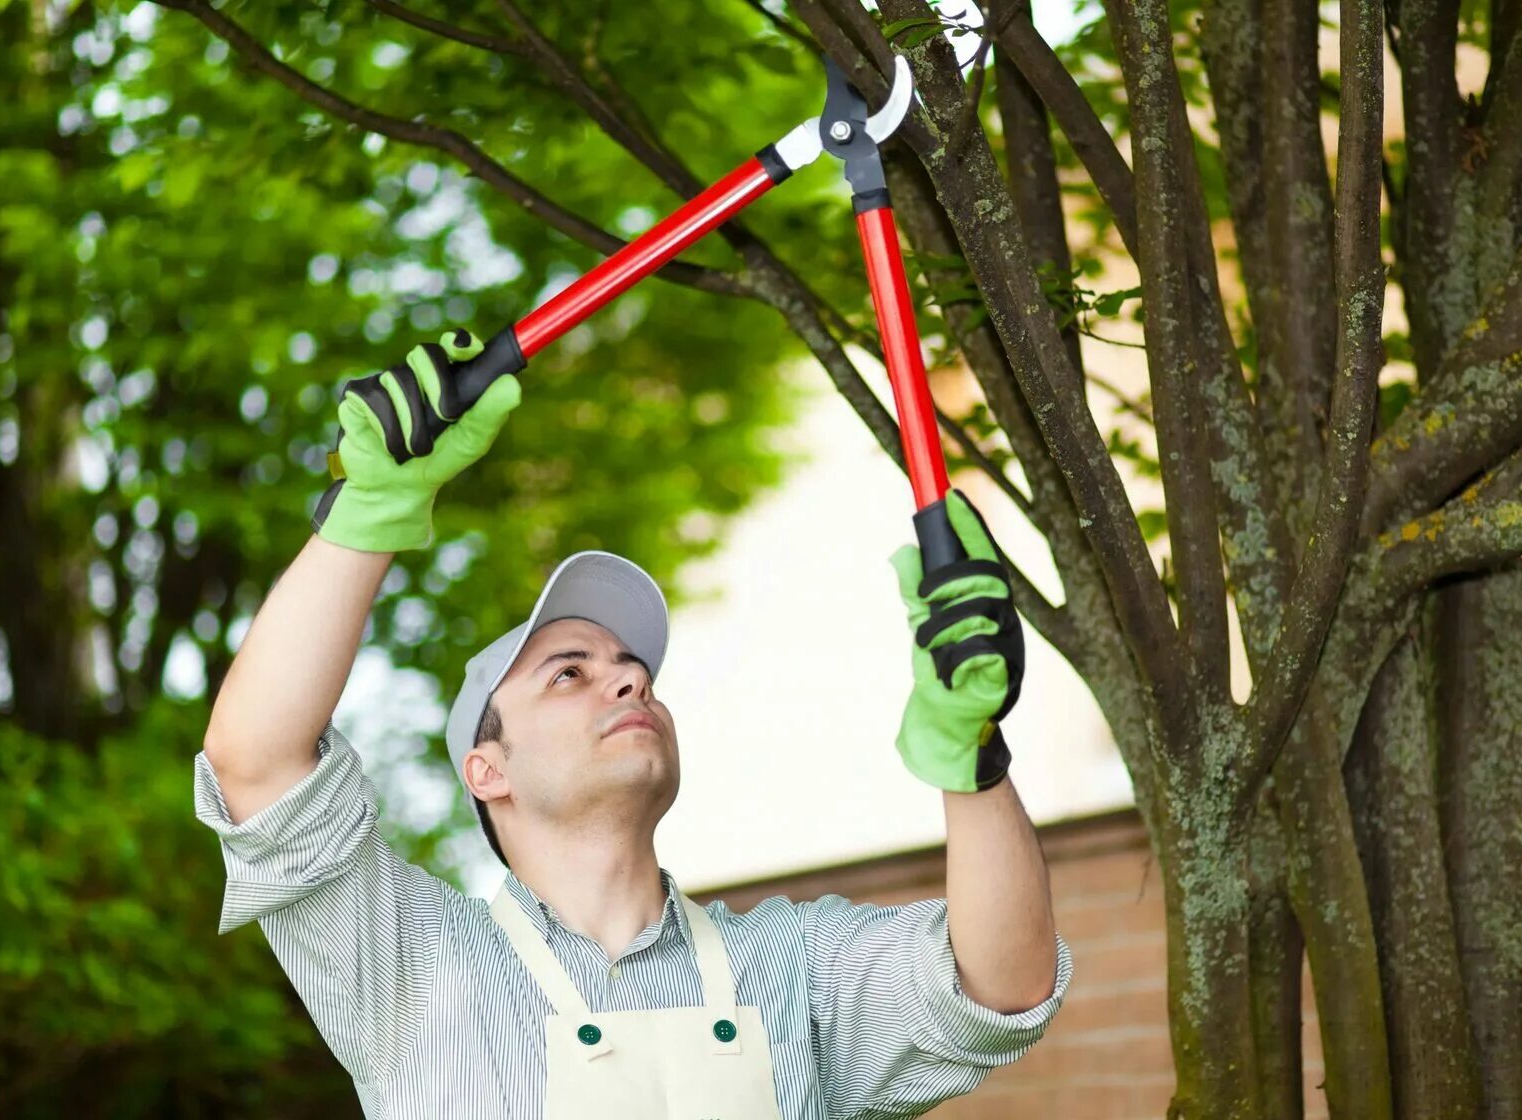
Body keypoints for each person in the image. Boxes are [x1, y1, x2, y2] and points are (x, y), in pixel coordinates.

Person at [195, 332, 1073, 1118]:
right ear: (485, 770)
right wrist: (370, 513)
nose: (624, 680)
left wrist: (975, 758)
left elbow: (1001, 984)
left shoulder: (794, 969)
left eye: (634, 671)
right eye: (568, 673)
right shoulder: (413, 964)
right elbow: (258, 762)